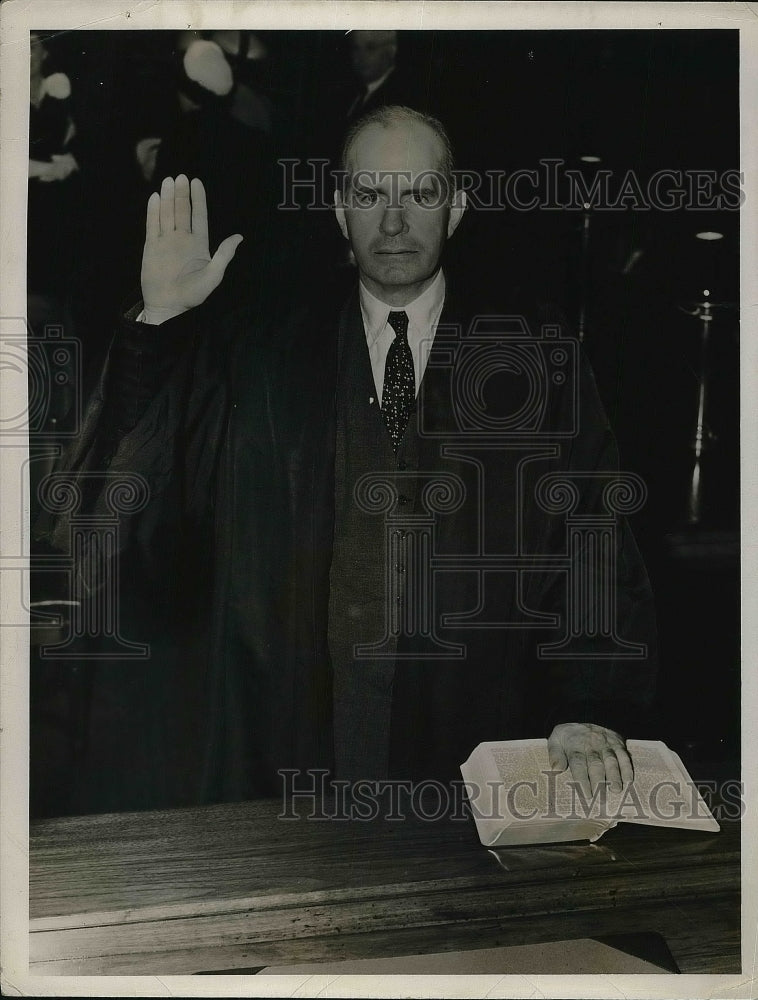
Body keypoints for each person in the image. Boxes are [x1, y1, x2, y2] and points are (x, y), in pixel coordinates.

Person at [40, 106, 656, 812]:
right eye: (369, 195)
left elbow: (594, 541)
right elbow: (117, 517)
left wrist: (587, 703)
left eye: (420, 194)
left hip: (469, 756)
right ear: (339, 210)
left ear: (456, 209)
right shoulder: (263, 356)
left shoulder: (533, 364)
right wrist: (162, 329)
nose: (393, 221)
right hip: (288, 762)